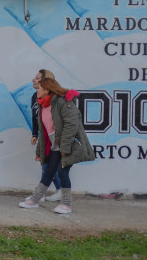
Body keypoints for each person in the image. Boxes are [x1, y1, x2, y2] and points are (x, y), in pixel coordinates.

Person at [19, 78, 95, 214]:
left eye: (38, 88)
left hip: (68, 143)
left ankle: (66, 204)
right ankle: (34, 200)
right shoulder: (43, 104)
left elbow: (72, 124)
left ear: (47, 89)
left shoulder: (63, 101)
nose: (36, 90)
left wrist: (65, 148)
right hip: (54, 144)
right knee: (48, 171)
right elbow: (44, 131)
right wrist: (39, 151)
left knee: (62, 172)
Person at [27, 69, 61, 203]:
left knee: (48, 166)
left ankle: (40, 194)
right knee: (46, 165)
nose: (33, 80)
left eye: (37, 78)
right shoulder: (33, 97)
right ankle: (57, 191)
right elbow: (35, 118)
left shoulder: (55, 98)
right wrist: (35, 133)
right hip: (44, 137)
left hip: (53, 137)